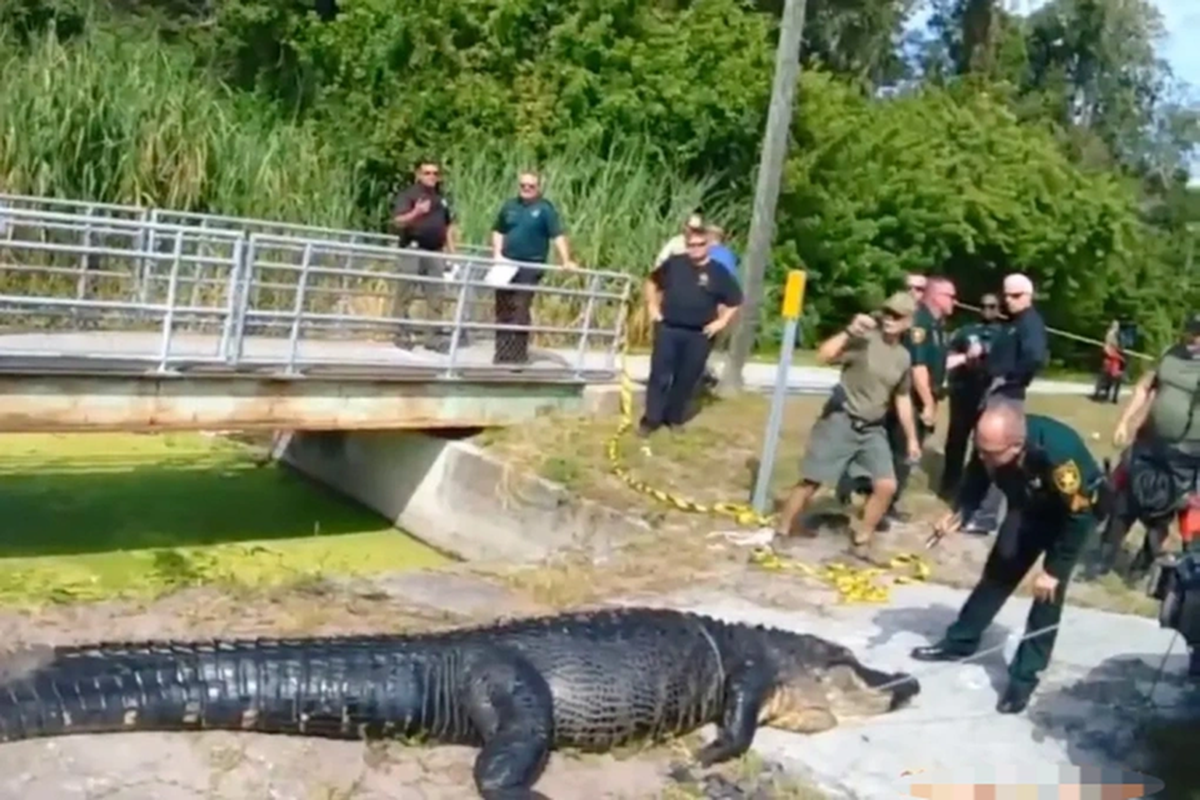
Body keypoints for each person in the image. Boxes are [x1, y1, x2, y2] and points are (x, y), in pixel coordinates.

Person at [911, 402, 1104, 713]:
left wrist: (1053, 570)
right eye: (981, 449)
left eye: (992, 453)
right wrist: (961, 509)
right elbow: (977, 474)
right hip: (1027, 508)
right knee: (998, 571)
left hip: (1068, 516)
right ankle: (960, 641)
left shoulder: (1059, 459)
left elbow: (1079, 517)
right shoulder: (991, 443)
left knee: (1047, 597)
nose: (985, 456)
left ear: (1017, 446)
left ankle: (1024, 679)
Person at [771, 292, 922, 559]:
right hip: (841, 420)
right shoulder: (864, 340)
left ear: (908, 322)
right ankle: (782, 531)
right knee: (811, 481)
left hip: (873, 428)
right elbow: (823, 356)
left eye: (897, 316)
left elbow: (901, 397)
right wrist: (848, 332)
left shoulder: (903, 357)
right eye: (887, 312)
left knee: (886, 485)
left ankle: (861, 540)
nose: (889, 319)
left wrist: (911, 438)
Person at [1110, 313, 1200, 675]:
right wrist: (1125, 421)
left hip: (1188, 451)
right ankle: (1109, 553)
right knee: (1132, 497)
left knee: (1168, 508)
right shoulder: (1171, 354)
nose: (1193, 339)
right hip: (1150, 442)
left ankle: (1147, 565)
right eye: (1192, 331)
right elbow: (1145, 387)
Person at [838, 276, 958, 529]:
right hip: (911, 398)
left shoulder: (938, 325)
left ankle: (883, 503)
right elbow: (918, 367)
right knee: (900, 454)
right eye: (950, 295)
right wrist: (927, 403)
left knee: (902, 455)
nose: (954, 301)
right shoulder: (920, 324)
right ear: (936, 296)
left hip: (923, 395)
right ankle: (874, 502)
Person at [964, 272, 1050, 535]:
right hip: (994, 390)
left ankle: (987, 516)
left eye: (1016, 296)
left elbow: (1035, 358)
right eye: (1007, 295)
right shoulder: (1014, 322)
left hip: (1007, 395)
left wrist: (1009, 379)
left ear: (1028, 296)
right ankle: (970, 506)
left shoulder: (1030, 323)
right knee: (981, 451)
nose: (1009, 300)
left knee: (996, 453)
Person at [638, 227, 742, 436]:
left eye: (700, 245)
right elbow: (651, 282)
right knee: (660, 376)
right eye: (691, 245)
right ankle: (651, 420)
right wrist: (653, 307)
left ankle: (674, 418)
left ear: (709, 245)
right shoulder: (675, 264)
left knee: (687, 378)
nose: (695, 249)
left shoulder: (718, 272)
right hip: (669, 328)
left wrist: (721, 322)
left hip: (699, 334)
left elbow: (735, 300)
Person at [490, 172, 578, 365]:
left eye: (531, 186)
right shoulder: (510, 206)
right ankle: (501, 353)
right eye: (523, 185)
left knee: (520, 308)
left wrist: (566, 259)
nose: (527, 189)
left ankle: (517, 354)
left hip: (531, 264)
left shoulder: (545, 209)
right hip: (506, 264)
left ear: (538, 188)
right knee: (503, 308)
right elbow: (498, 230)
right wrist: (497, 254)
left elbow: (557, 235)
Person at [939, 293, 1004, 500]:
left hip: (989, 392)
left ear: (998, 309)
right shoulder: (966, 331)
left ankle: (974, 487)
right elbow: (948, 356)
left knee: (984, 441)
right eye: (983, 306)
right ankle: (949, 484)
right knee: (956, 439)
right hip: (963, 390)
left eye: (992, 306)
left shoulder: (1004, 334)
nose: (987, 310)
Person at [389, 159, 458, 352]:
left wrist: (452, 253)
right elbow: (398, 222)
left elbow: (449, 226)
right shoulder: (409, 195)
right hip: (413, 248)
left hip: (435, 251)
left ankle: (433, 337)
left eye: (435, 173)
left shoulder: (441, 198)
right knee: (405, 293)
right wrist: (416, 212)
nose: (432, 177)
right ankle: (400, 333)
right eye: (427, 173)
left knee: (436, 295)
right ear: (419, 174)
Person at [1092, 320, 1126, 404]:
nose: (1116, 328)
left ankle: (1112, 395)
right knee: (1105, 373)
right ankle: (1099, 392)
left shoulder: (1119, 336)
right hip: (1110, 356)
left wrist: (1119, 355)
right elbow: (1106, 347)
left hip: (1115, 357)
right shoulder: (1110, 334)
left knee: (1117, 375)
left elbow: (1121, 348)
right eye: (1115, 326)